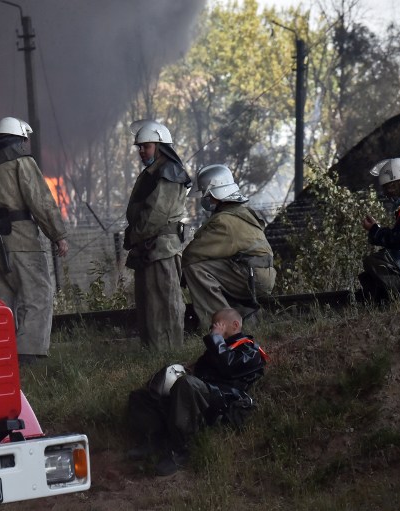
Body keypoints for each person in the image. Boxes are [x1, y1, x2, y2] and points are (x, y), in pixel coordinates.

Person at [0, 116, 68, 365]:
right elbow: (39, 200)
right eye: (23, 140)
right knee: (37, 295)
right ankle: (28, 355)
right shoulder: (21, 161)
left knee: (1, 305)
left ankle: (3, 355)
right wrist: (58, 234)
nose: (24, 145)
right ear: (17, 138)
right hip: (22, 242)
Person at [127, 308, 268, 476]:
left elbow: (229, 367)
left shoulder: (250, 350)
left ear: (235, 325)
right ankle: (154, 439)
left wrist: (216, 338)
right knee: (141, 397)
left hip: (223, 398)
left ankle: (179, 450)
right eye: (213, 326)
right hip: (198, 391)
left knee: (187, 384)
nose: (213, 329)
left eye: (218, 325)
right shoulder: (217, 349)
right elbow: (197, 371)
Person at [123, 120, 191, 350]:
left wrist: (134, 236)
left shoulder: (169, 172)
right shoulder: (153, 172)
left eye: (147, 146)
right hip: (148, 246)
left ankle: (169, 351)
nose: (142, 151)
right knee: (149, 304)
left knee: (165, 302)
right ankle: (153, 350)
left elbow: (156, 214)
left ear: (161, 146)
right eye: (140, 147)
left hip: (161, 248)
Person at [182, 164, 276, 327]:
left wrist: (178, 273)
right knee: (214, 266)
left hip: (252, 276)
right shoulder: (240, 212)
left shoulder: (223, 221)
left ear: (217, 193)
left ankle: (223, 325)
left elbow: (192, 254)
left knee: (195, 268)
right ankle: (244, 315)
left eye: (207, 195)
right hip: (258, 273)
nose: (205, 199)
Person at [359, 157, 400, 301]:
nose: (389, 192)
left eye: (391, 187)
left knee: (377, 260)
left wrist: (374, 230)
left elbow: (398, 239)